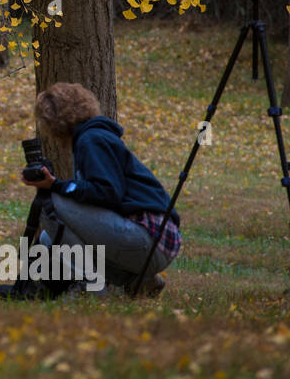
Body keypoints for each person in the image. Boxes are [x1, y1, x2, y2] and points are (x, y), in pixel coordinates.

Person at [21, 82, 182, 296]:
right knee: (48, 239)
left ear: (53, 120)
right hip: (155, 242)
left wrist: (56, 186)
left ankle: (91, 288)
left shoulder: (91, 140)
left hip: (149, 239)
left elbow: (107, 193)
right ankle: (141, 281)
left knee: (50, 205)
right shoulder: (96, 137)